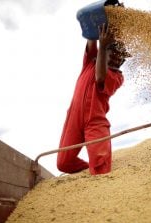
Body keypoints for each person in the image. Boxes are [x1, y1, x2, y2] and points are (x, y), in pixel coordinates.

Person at [57, 23, 130, 175]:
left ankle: (97, 172)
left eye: (121, 56)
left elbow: (100, 77)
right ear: (104, 52)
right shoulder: (91, 61)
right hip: (74, 118)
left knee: (101, 169)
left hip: (95, 121)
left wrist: (104, 47)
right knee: (64, 164)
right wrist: (98, 22)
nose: (117, 57)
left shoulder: (117, 77)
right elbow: (91, 38)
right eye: (114, 52)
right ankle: (88, 170)